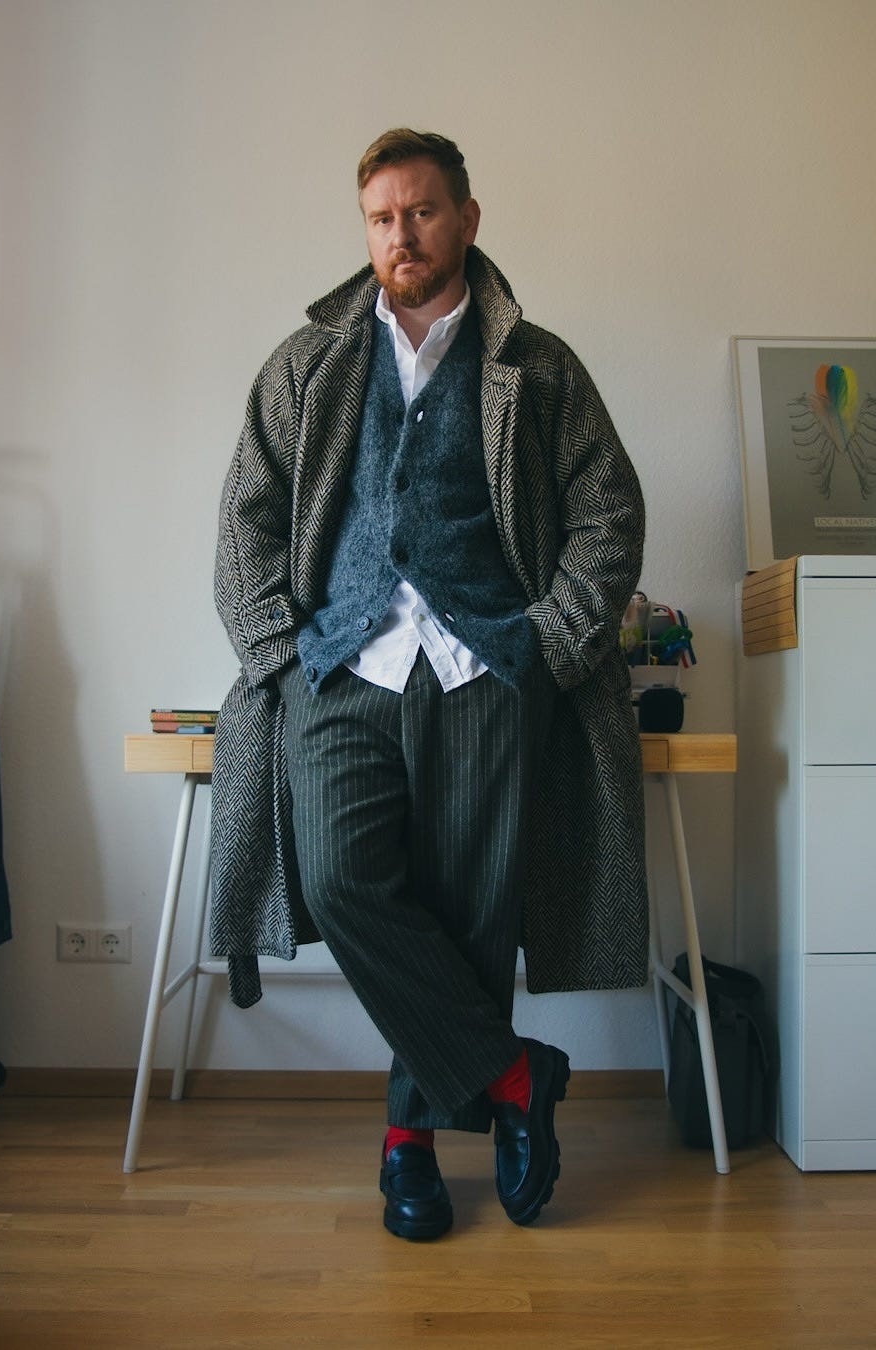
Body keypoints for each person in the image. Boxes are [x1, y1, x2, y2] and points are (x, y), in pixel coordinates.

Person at [213, 129, 647, 1241]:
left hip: (487, 670)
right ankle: (512, 1082)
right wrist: (274, 649)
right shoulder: (307, 365)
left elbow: (609, 515)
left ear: (466, 217)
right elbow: (245, 522)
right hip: (341, 668)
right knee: (347, 879)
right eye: (381, 217)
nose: (400, 235)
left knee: (468, 916)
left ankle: (409, 1142)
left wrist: (551, 642)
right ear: (364, 228)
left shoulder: (537, 367)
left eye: (422, 212)